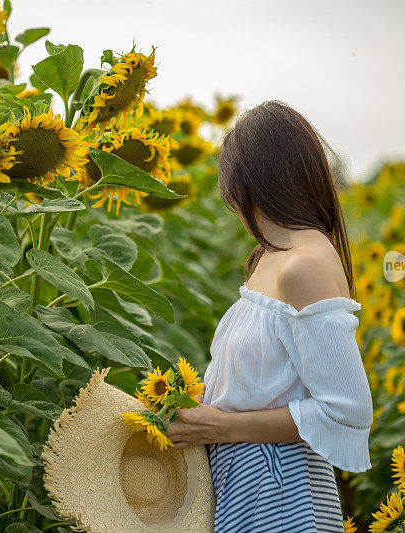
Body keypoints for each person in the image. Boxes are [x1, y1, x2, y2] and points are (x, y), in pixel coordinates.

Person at [166, 100, 374, 532]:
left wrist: (223, 428)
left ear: (249, 187)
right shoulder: (272, 257)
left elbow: (347, 410)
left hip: (279, 490)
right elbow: (268, 381)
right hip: (245, 481)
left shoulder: (304, 266)